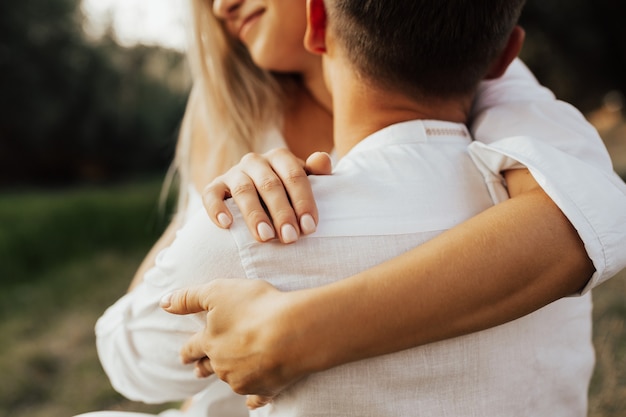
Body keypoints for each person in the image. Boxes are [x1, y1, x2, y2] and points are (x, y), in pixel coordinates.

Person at [75, 0, 626, 416]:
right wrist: (206, 204)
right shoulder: (231, 118)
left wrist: (295, 333)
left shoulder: (492, 84)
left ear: (317, 17)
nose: (221, 6)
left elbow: (584, 217)